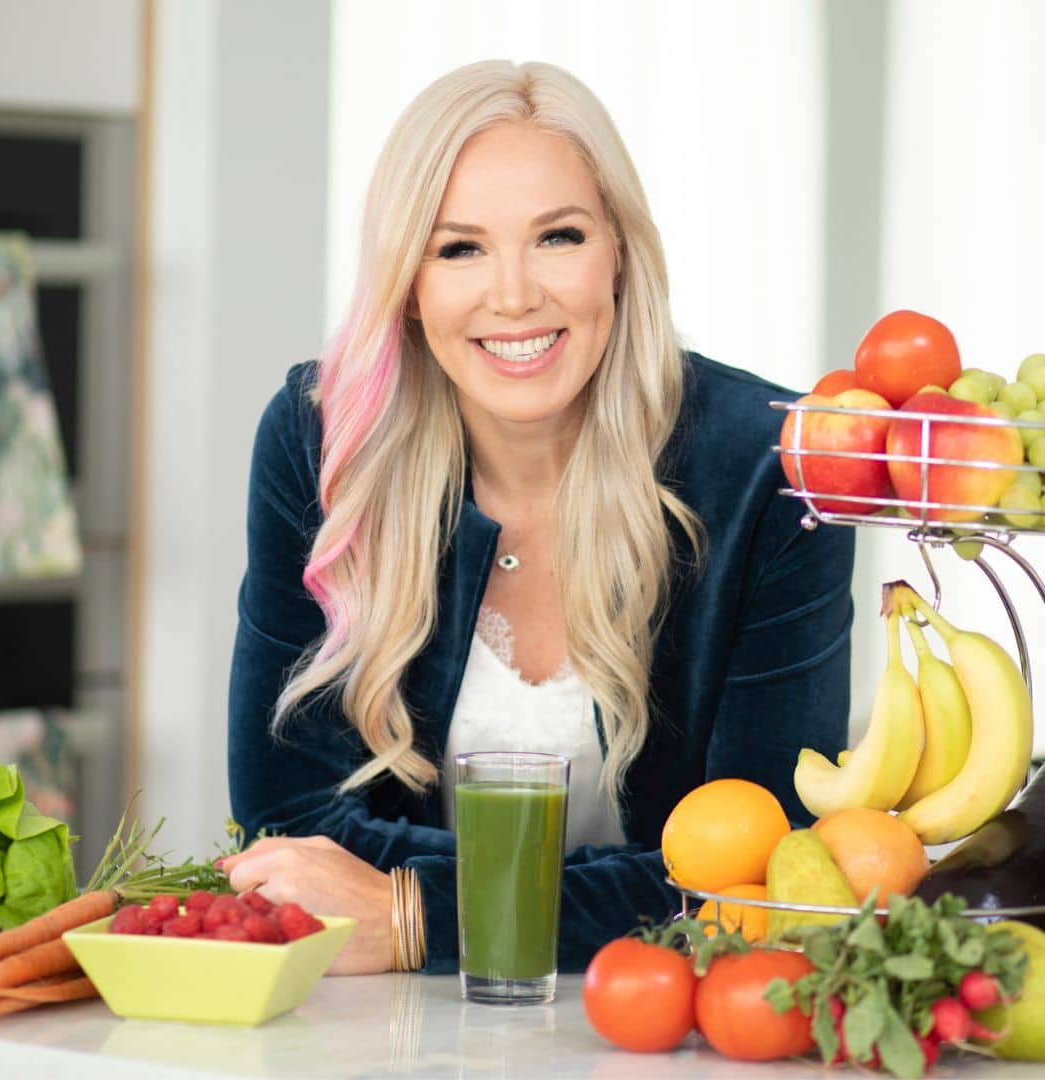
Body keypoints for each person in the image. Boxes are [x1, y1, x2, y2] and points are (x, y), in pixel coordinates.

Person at [220, 59, 854, 976]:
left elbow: (768, 879)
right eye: (459, 248)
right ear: (408, 282)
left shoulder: (778, 470)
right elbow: (290, 830)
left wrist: (415, 911)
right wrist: (616, 893)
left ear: (620, 251)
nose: (513, 295)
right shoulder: (323, 445)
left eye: (558, 237)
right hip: (379, 1031)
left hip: (669, 1037)